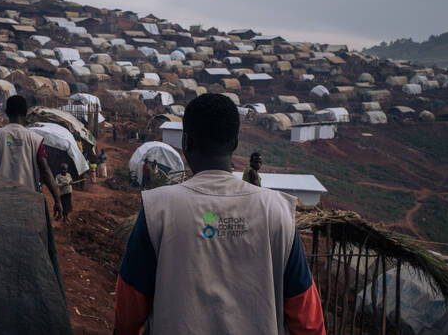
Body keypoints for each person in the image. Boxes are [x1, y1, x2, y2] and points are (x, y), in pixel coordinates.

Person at [115, 94, 325, 335]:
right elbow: (307, 319)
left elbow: (129, 308)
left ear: (186, 142)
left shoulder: (157, 209)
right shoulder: (276, 211)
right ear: (235, 142)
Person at [0, 95, 63, 218]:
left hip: (0, 200)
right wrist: (57, 201)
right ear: (25, 113)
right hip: (28, 200)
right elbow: (45, 171)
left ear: (6, 112)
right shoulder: (35, 139)